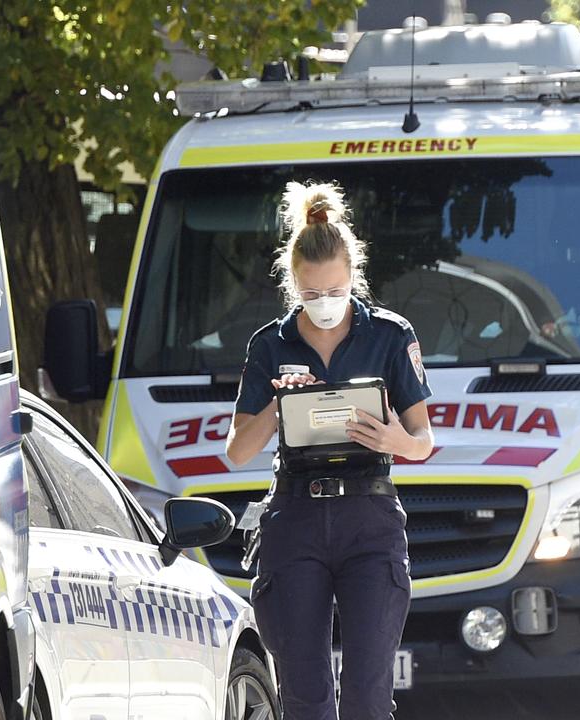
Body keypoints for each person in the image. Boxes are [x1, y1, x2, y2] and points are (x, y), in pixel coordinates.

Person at [225, 181, 434, 720]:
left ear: (352, 276)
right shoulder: (269, 345)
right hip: (294, 517)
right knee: (305, 697)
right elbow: (236, 452)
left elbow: (423, 442)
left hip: (369, 518)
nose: (324, 304)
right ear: (294, 284)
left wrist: (394, 441)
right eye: (312, 294)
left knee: (367, 695)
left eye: (335, 290)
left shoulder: (389, 335)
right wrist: (278, 406)